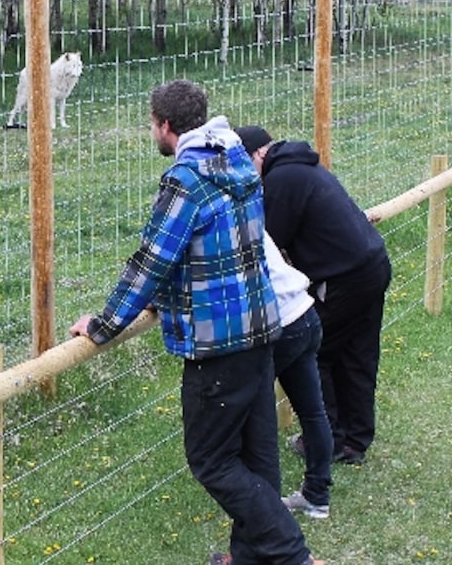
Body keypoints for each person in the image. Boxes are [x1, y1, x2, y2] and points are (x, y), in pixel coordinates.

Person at [70, 80, 323, 565]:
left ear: (165, 126)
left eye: (152, 125)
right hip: (260, 328)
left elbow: (153, 261)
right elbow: (214, 249)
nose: (153, 133)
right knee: (258, 457)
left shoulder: (185, 180)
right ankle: (253, 559)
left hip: (217, 344)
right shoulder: (237, 161)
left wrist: (103, 325)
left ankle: (292, 556)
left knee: (211, 460)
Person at [235, 125, 392, 465]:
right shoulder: (303, 167)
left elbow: (271, 243)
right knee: (357, 354)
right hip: (372, 264)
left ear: (259, 155)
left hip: (344, 278)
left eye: (244, 162)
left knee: (313, 349)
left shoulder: (280, 181)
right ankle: (355, 439)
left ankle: (329, 440)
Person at [264, 231, 333, 519]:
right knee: (314, 412)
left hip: (279, 323)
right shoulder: (248, 206)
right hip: (304, 311)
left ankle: (261, 505)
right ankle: (317, 497)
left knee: (254, 413)